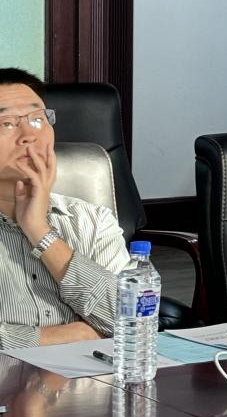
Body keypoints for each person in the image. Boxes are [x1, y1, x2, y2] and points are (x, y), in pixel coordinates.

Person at [0, 68, 130, 348]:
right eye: (7, 123)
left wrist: (40, 231)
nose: (28, 135)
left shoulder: (92, 220)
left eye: (37, 119)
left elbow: (130, 321)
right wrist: (63, 336)